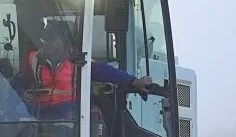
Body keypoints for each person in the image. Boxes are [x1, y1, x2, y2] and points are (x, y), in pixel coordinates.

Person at [19, 25, 148, 120]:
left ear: (64, 42)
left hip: (69, 111)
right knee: (18, 111)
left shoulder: (78, 60)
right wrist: (23, 94)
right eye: (46, 40)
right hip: (39, 109)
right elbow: (18, 83)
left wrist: (133, 81)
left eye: (53, 40)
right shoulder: (34, 59)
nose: (49, 44)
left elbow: (106, 72)